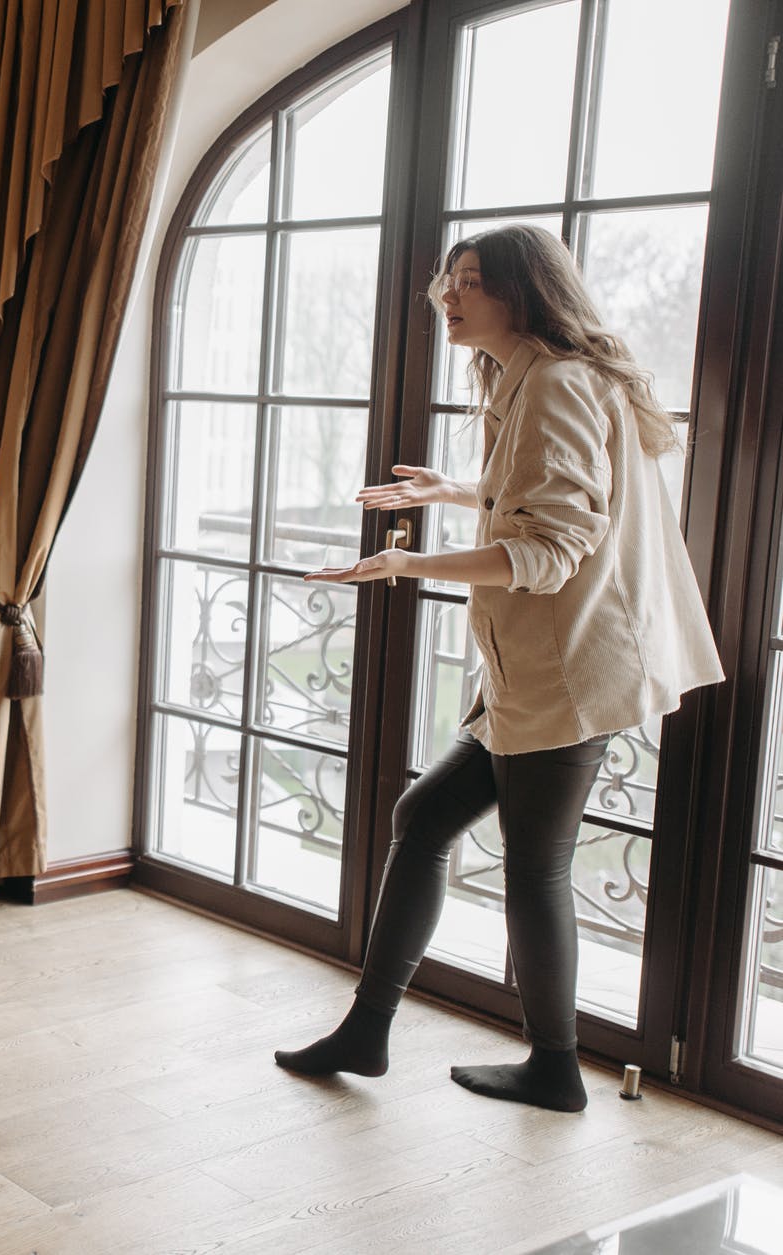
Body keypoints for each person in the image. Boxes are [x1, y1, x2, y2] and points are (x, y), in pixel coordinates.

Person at [273, 224, 721, 1112]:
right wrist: (453, 490)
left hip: (565, 675)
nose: (448, 294)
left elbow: (546, 552)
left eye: (470, 281)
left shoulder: (554, 383)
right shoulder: (543, 378)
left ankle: (552, 1066)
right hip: (540, 670)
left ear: (523, 293)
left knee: (531, 864)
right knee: (428, 816)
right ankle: (374, 1031)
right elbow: (549, 495)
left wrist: (401, 565)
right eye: (449, 277)